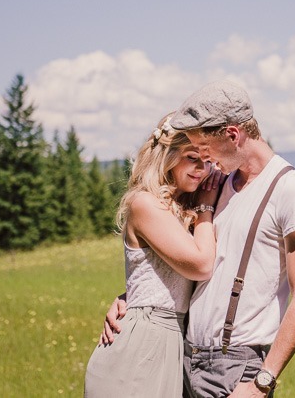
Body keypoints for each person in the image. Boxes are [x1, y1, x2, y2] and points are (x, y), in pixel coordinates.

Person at [102, 81, 295, 397]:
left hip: (237, 366)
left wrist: (263, 381)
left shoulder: (291, 189)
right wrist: (132, 298)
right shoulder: (217, 185)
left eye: (205, 152)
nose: (204, 166)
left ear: (232, 135)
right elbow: (182, 260)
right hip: (184, 358)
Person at [84, 114, 220, 397]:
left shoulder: (182, 207)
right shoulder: (145, 203)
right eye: (192, 157)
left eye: (207, 161)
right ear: (168, 156)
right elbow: (201, 265)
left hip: (172, 342)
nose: (202, 169)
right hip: (143, 343)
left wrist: (127, 295)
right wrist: (207, 208)